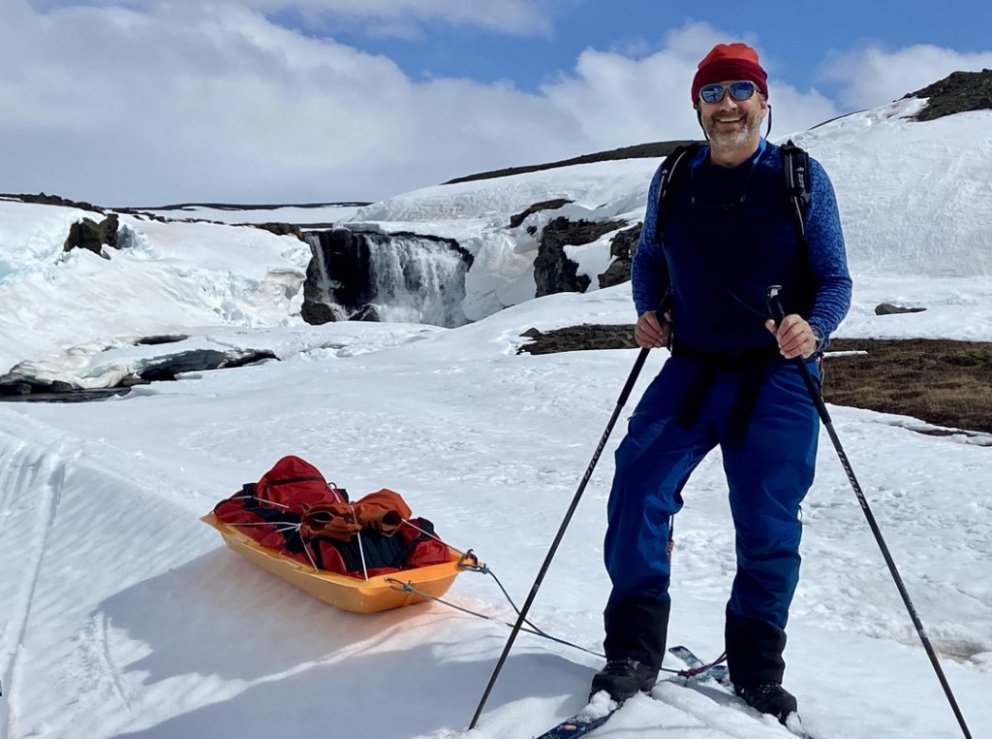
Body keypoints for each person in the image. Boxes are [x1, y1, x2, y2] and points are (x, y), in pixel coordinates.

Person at [590, 42, 852, 724]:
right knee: (638, 485)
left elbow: (834, 279)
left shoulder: (798, 177)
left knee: (767, 521)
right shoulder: (676, 175)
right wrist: (648, 310)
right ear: (697, 106)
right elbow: (650, 257)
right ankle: (632, 650)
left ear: (763, 100)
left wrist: (813, 328)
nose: (727, 104)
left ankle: (758, 668)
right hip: (693, 366)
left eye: (740, 90)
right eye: (712, 92)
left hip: (778, 376)